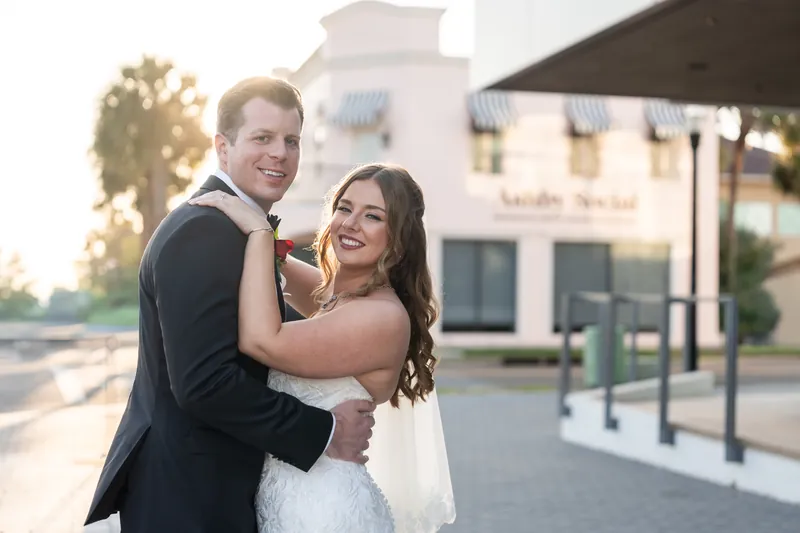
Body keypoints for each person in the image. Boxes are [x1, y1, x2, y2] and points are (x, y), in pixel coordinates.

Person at [84, 77, 375, 533]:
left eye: (291, 141)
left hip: (214, 491)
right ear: (223, 147)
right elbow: (204, 383)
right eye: (263, 138)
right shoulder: (203, 231)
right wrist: (326, 432)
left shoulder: (238, 231)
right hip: (188, 498)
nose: (280, 152)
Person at [188, 162, 456, 532]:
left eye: (373, 216)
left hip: (326, 513)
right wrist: (251, 215)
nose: (350, 223)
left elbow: (262, 340)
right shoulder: (339, 299)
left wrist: (258, 231)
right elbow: (289, 269)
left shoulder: (381, 317)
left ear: (399, 239)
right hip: (289, 500)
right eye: (345, 208)